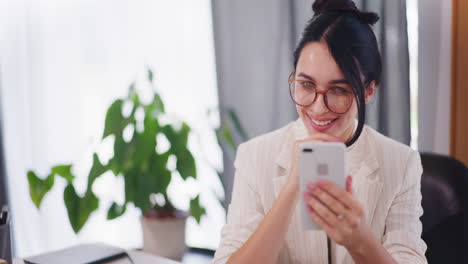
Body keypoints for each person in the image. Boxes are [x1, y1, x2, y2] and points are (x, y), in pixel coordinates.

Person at [212, 0, 427, 263]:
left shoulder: (401, 164)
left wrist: (359, 241)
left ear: (369, 90)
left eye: (339, 90)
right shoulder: (254, 157)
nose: (318, 107)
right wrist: (290, 191)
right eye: (306, 84)